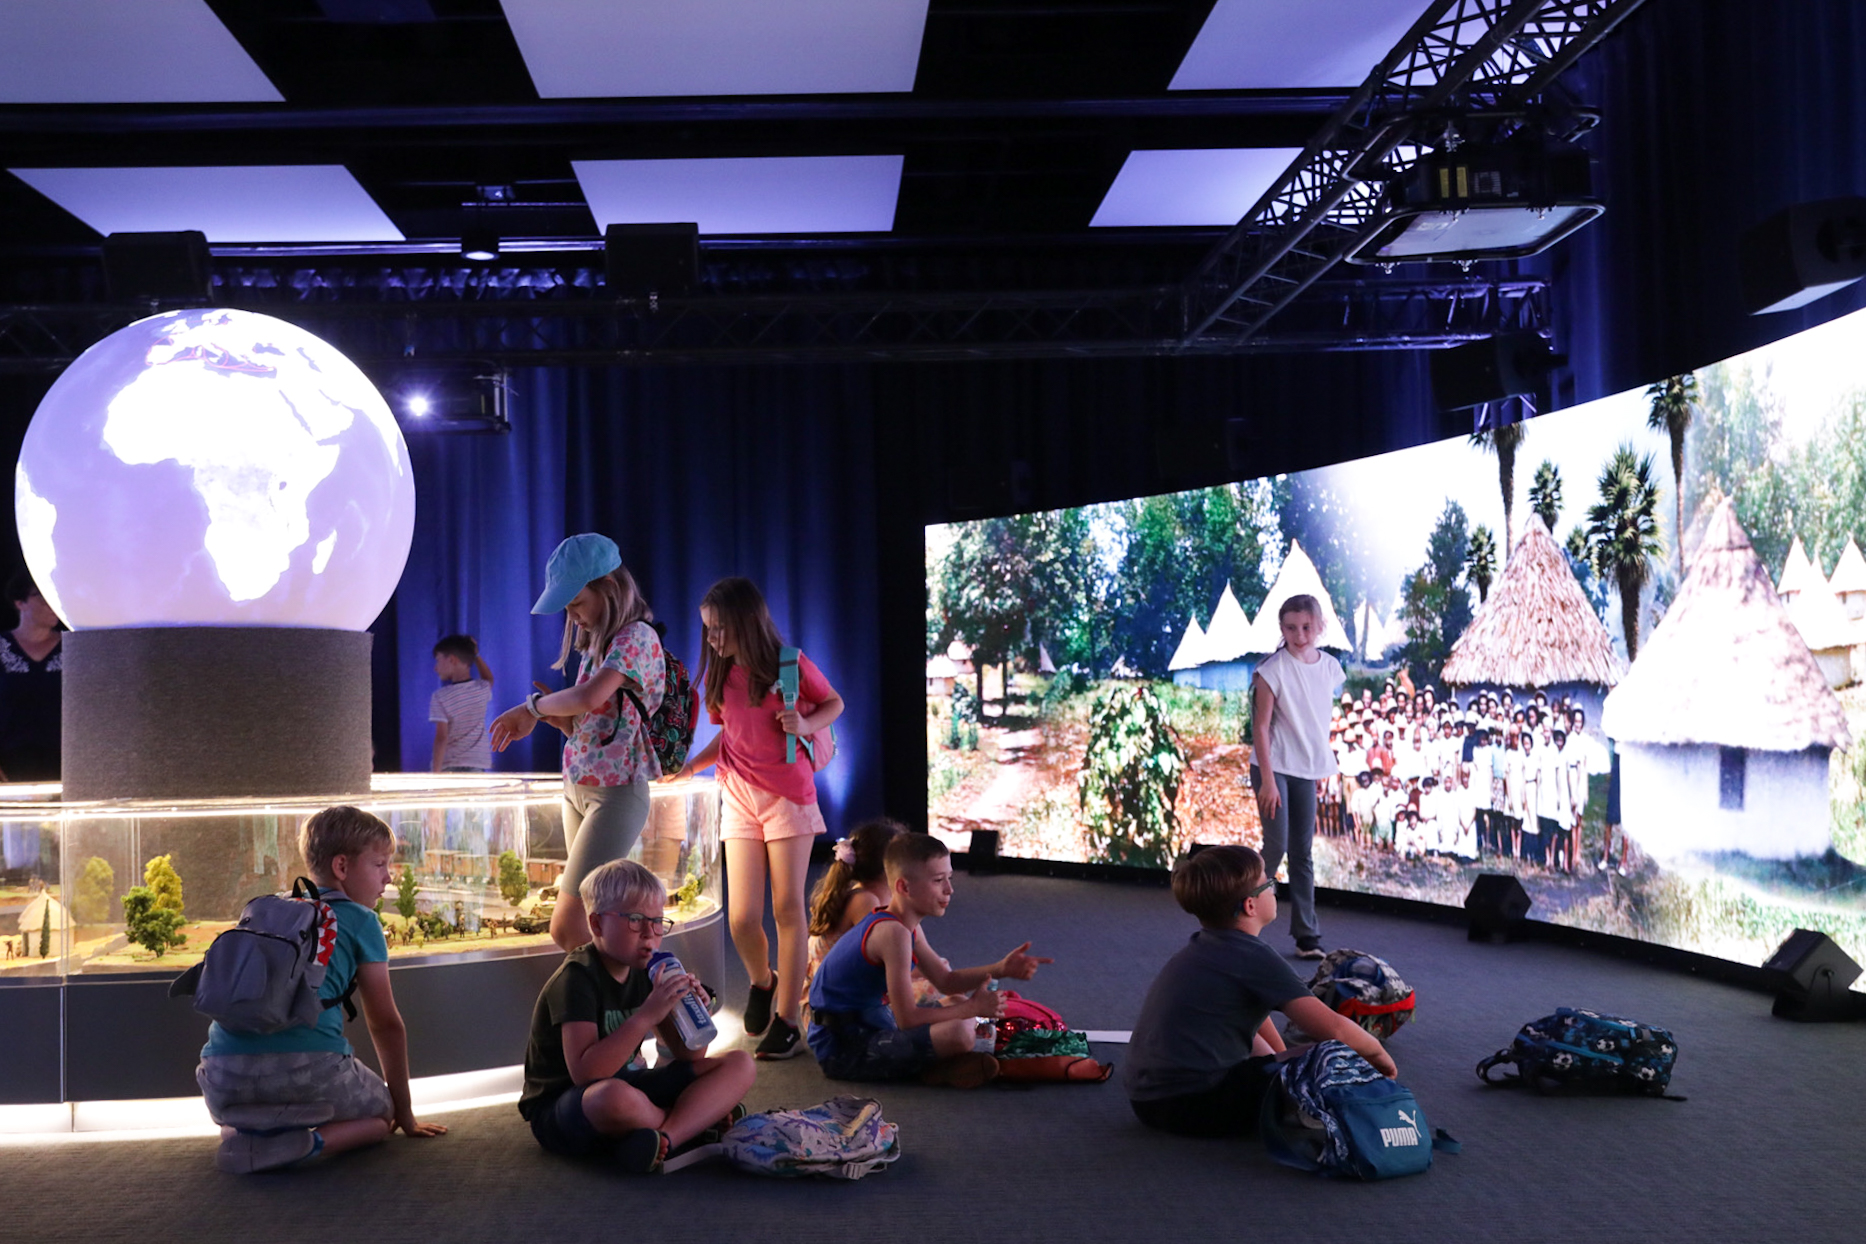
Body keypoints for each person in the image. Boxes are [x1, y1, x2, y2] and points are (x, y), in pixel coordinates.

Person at [194, 806, 447, 1173]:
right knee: (380, 1116)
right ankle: (309, 1143)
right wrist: (404, 1112)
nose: (388, 877)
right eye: (379, 864)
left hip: (221, 1078)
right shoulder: (362, 921)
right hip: (309, 1072)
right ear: (342, 866)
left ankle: (244, 1133)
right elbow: (385, 1023)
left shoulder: (268, 909)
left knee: (258, 1103)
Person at [671, 577, 844, 1061]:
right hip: (738, 796)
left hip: (789, 797)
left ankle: (787, 1020)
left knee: (787, 907)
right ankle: (762, 980)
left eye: (719, 628)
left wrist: (805, 723)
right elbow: (729, 735)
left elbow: (834, 702)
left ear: (747, 622)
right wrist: (690, 767)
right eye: (707, 630)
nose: (711, 639)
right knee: (743, 917)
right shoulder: (721, 674)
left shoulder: (790, 664)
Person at [1124, 845, 1396, 1139]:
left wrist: (1281, 1060)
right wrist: (1379, 1056)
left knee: (1278, 1051)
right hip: (1198, 1104)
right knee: (1335, 1053)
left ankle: (1287, 1099)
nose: (1274, 889)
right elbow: (1334, 1030)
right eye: (1269, 883)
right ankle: (1302, 1110)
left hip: (1150, 1102)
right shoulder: (1253, 956)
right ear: (1250, 906)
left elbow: (1252, 1019)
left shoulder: (1205, 946)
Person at [518, 860, 755, 1174]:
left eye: (657, 922)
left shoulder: (647, 970)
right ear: (597, 924)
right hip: (567, 1107)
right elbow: (587, 1074)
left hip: (630, 1086)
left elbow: (688, 1055)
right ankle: (695, 1122)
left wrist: (694, 1012)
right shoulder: (576, 979)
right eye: (635, 920)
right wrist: (646, 1016)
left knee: (739, 1063)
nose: (649, 934)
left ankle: (665, 1137)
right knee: (613, 1098)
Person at [491, 534, 666, 953]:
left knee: (570, 928)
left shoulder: (636, 637)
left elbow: (590, 696)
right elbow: (595, 725)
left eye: (576, 603)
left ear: (610, 587)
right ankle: (615, 996)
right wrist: (559, 720)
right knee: (594, 924)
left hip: (614, 794)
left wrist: (531, 709)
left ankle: (636, 992)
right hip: (578, 788)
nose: (572, 616)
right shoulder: (598, 644)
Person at [806, 832, 1049, 1088]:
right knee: (959, 1032)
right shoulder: (893, 933)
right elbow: (907, 1019)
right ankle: (934, 1069)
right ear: (904, 887)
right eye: (938, 880)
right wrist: (972, 1009)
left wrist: (1000, 968)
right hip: (843, 1049)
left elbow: (946, 981)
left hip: (873, 1022)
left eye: (949, 878)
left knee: (957, 1001)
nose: (949, 890)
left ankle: (942, 1065)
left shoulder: (904, 925)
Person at [1250, 594, 1344, 960]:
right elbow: (1260, 727)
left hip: (1306, 769)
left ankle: (1307, 936)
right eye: (1291, 628)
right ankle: (1240, 923)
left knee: (1302, 852)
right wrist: (1268, 781)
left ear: (1320, 626)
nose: (1299, 635)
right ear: (1282, 628)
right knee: (1275, 846)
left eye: (1306, 627)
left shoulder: (1331, 668)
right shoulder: (1271, 670)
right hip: (1273, 767)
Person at [806, 818, 908, 968]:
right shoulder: (865, 901)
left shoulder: (865, 894)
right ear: (889, 867)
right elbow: (882, 960)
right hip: (834, 981)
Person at [0, 571, 62, 785]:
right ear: (20, 603)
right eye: (42, 596)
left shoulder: (74, 649)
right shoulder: (2, 648)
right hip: (11, 762)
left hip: (67, 763)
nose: (52, 604)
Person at [429, 634, 493, 773]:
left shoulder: (441, 696)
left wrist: (435, 774)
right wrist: (476, 655)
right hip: (477, 764)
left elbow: (441, 738)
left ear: (452, 659)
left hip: (450, 765)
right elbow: (489, 678)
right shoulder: (481, 689)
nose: (435, 668)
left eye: (438, 660)